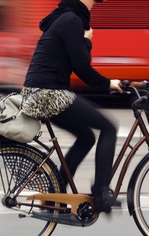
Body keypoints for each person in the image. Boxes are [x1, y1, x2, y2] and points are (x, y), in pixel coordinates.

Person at [20, 0, 122, 214]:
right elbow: (81, 66)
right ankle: (102, 193)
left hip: (39, 92)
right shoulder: (72, 20)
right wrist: (108, 83)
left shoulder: (62, 17)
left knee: (87, 137)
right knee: (109, 127)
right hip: (48, 94)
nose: (94, 5)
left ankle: (53, 195)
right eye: (93, 1)